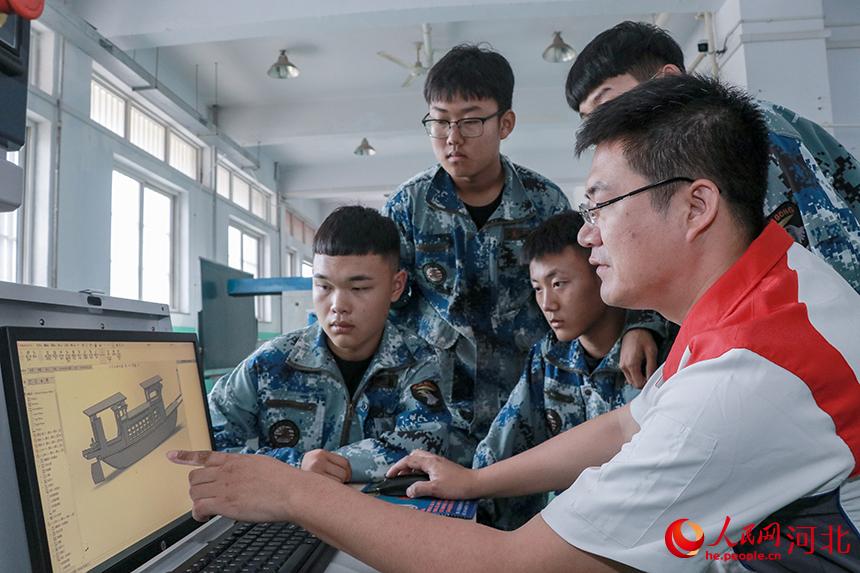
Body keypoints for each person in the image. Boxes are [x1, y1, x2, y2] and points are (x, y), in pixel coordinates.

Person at [171, 75, 860, 572]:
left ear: (696, 206)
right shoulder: (771, 287)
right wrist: (475, 481)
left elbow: (510, 564)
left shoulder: (739, 383)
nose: (585, 236)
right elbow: (626, 425)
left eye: (601, 206)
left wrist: (294, 494)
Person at [382, 44, 663, 465]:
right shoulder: (407, 207)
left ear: (505, 123)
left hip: (531, 405)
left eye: (471, 121)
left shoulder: (543, 201)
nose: (453, 138)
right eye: (439, 122)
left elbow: (608, 267)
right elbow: (387, 309)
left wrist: (643, 323)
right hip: (437, 413)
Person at [566, 20, 860, 389]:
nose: (604, 128)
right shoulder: (674, 157)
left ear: (668, 79)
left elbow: (833, 252)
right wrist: (646, 323)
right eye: (589, 120)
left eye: (607, 104)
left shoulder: (753, 134)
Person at [207, 205, 451, 483]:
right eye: (324, 286)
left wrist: (340, 465)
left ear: (396, 286)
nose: (338, 306)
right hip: (285, 508)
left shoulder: (417, 362)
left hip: (377, 509)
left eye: (359, 288)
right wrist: (295, 464)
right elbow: (209, 439)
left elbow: (425, 444)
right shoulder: (273, 362)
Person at [474, 210, 671, 530]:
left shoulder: (660, 351)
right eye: (537, 288)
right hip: (574, 531)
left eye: (558, 284)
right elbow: (501, 448)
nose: (547, 303)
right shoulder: (548, 356)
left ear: (602, 270)